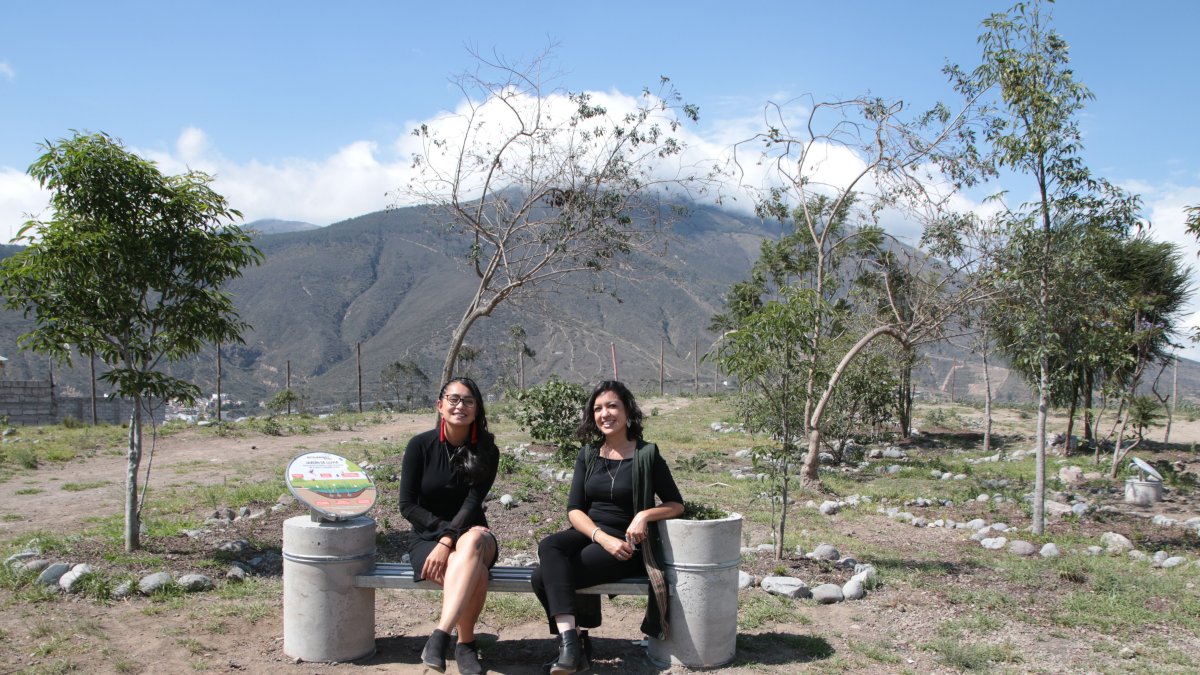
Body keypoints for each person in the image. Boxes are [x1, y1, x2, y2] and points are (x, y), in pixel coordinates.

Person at [530, 380, 684, 675]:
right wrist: (600, 537)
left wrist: (644, 515)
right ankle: (572, 645)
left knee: (542, 577)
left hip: (627, 546)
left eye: (612, 406)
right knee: (550, 546)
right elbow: (574, 509)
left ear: (628, 412)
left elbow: (676, 504)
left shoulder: (647, 454)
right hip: (593, 534)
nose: (605, 413)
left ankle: (575, 646)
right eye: (598, 408)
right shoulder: (588, 454)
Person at [398, 377, 499, 674]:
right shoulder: (420, 446)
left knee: (472, 541)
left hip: (474, 535)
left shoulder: (488, 451)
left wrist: (448, 540)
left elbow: (471, 505)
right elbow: (407, 505)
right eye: (453, 399)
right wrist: (442, 537)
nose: (460, 406)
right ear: (440, 405)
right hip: (426, 540)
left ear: (477, 408)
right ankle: (466, 644)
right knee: (476, 571)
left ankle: (440, 635)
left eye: (468, 400)